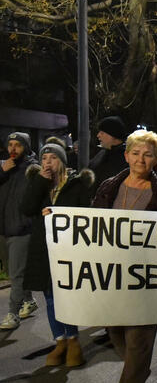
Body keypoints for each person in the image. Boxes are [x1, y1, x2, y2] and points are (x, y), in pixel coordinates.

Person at [92, 130, 157, 383]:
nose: (141, 159)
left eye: (148, 154)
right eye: (136, 153)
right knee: (115, 330)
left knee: (139, 336)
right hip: (112, 274)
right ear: (127, 155)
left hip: (147, 278)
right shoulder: (108, 187)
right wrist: (56, 218)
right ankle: (138, 369)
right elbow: (90, 224)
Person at [21, 140, 94, 366]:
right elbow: (26, 208)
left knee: (65, 296)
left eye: (52, 158)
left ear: (61, 161)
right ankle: (60, 341)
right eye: (44, 158)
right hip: (43, 249)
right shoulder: (38, 183)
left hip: (67, 248)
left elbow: (85, 214)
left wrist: (59, 213)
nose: (47, 162)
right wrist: (40, 182)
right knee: (50, 297)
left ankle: (73, 340)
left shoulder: (76, 184)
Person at [0, 131, 38, 330]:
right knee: (12, 271)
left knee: (16, 274)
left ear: (26, 147)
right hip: (3, 228)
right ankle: (29, 300)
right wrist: (2, 171)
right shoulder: (4, 166)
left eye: (18, 145)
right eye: (10, 145)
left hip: (22, 229)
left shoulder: (33, 169)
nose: (13, 149)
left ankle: (13, 313)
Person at [89, 116, 130, 186]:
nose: (98, 135)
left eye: (102, 133)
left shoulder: (126, 158)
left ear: (113, 135)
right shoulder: (102, 152)